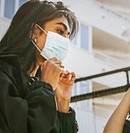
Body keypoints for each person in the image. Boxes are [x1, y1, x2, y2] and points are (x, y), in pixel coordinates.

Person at [0, 0, 79, 133]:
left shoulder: (42, 86)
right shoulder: (3, 75)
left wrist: (62, 103)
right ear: (34, 32)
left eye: (67, 36)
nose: (65, 41)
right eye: (60, 31)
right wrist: (45, 87)